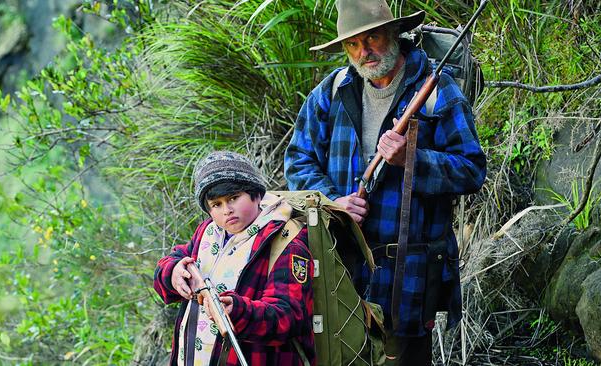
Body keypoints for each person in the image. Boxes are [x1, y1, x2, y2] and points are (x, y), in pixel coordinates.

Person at [284, 0, 487, 364]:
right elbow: (298, 161)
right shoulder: (331, 92)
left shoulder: (437, 91)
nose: (364, 52)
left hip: (408, 275)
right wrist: (333, 203)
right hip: (343, 268)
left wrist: (413, 160)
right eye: (353, 44)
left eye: (373, 37)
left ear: (394, 33)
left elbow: (472, 170)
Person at [154, 151, 315, 366]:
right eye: (216, 205)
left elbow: (288, 318)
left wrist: (238, 311)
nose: (227, 211)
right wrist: (172, 273)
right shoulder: (207, 233)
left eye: (233, 198)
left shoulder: (286, 242)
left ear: (256, 195)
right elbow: (174, 260)